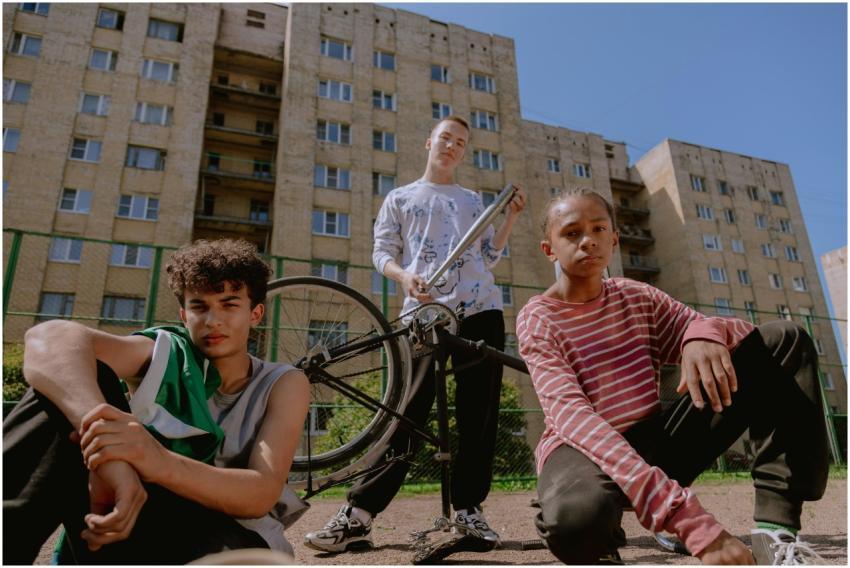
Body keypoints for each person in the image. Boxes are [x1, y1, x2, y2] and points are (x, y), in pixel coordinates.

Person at [516, 188, 829, 565]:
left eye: (599, 229)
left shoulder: (637, 296)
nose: (588, 240)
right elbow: (570, 415)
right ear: (549, 248)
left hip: (654, 439)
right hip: (580, 447)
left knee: (784, 340)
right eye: (571, 233)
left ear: (614, 239)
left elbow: (735, 333)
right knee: (576, 523)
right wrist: (686, 519)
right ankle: (576, 504)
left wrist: (699, 335)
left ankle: (774, 530)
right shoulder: (538, 319)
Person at [3, 238, 311, 564]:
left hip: (230, 533)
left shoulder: (283, 382)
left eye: (229, 304)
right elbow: (48, 338)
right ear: (183, 314)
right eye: (199, 306)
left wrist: (157, 460)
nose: (213, 320)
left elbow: (260, 494)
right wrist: (109, 450)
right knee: (60, 390)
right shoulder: (167, 353)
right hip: (134, 511)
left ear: (256, 313)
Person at [303, 115, 527, 552]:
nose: (452, 146)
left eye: (460, 143)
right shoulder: (401, 197)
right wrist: (405, 278)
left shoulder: (472, 199)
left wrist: (510, 218)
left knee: (479, 413)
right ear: (429, 142)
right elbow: (381, 252)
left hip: (480, 310)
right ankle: (360, 514)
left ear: (463, 152)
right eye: (446, 138)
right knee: (407, 410)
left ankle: (469, 510)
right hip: (424, 314)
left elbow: (489, 255)